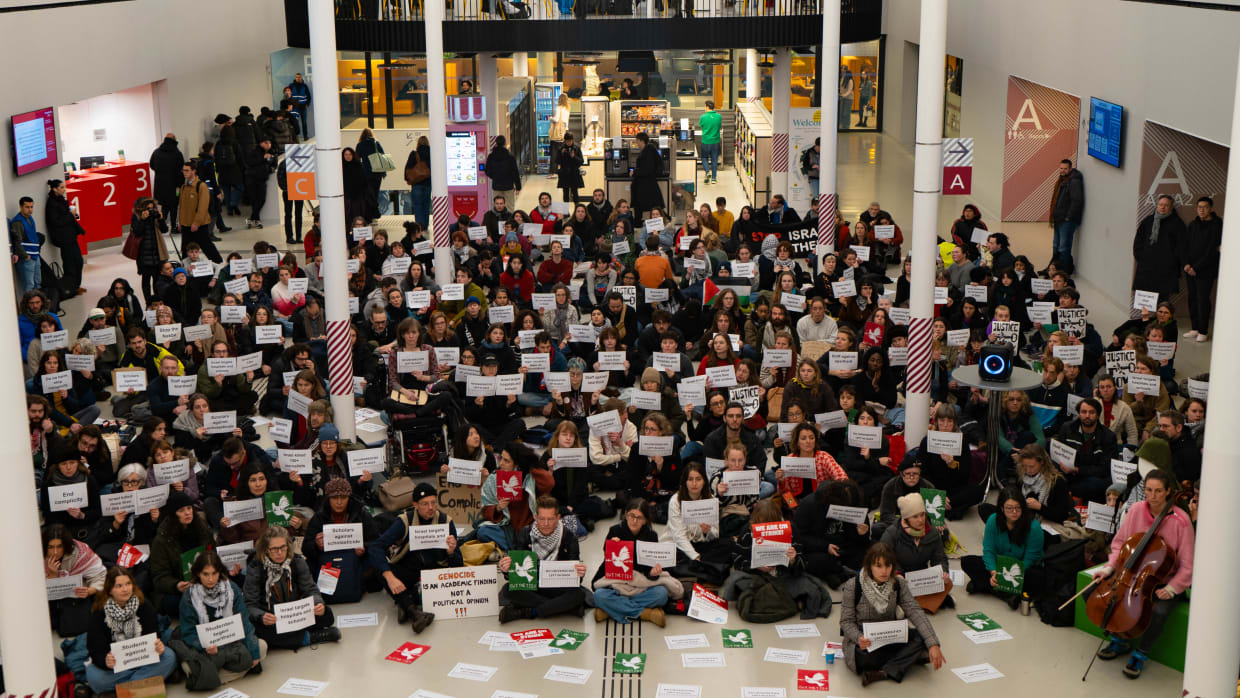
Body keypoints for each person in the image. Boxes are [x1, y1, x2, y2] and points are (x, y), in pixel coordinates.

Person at [1092, 469, 1194, 678]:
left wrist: (1172, 588)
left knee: (1158, 613)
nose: (1153, 496)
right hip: (1130, 572)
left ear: (1168, 492)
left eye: (1158, 491)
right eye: (1148, 490)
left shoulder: (1181, 520)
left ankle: (1141, 652)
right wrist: (1110, 567)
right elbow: (1120, 543)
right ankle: (1120, 641)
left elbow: (1188, 565)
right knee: (1101, 593)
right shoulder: (1136, 509)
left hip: (1164, 580)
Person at [839, 543, 945, 686]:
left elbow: (915, 612)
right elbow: (846, 621)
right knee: (862, 658)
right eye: (879, 566)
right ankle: (902, 661)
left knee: (923, 639)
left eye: (888, 566)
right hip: (864, 642)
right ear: (870, 565)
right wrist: (858, 638)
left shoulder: (898, 584)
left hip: (890, 636)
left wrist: (933, 644)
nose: (884, 571)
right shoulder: (853, 586)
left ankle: (884, 672)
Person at [369, 482, 460, 633]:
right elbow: (375, 547)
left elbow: (458, 564)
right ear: (415, 505)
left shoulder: (446, 521)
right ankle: (415, 611)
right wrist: (390, 576)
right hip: (409, 569)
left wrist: (451, 551)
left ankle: (407, 605)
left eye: (433, 503)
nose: (430, 508)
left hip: (435, 572)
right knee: (381, 571)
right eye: (424, 504)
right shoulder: (404, 521)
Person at [172, 550, 264, 691]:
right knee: (189, 664)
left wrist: (254, 652)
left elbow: (243, 621)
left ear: (220, 572)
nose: (210, 579)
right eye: (206, 574)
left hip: (231, 642)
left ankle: (209, 678)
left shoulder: (231, 589)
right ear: (197, 574)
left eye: (214, 573)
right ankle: (222, 675)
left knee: (261, 647)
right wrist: (203, 646)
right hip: (207, 648)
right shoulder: (189, 597)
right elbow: (188, 632)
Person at [85, 567, 181, 693]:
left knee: (169, 656)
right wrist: (105, 661)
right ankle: (147, 684)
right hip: (116, 667)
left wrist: (158, 647)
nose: (125, 589)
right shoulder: (99, 613)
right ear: (109, 590)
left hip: (142, 661)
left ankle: (122, 692)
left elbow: (153, 636)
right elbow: (95, 650)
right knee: (95, 677)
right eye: (118, 586)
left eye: (128, 584)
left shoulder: (144, 605)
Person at [243, 525, 340, 650]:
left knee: (326, 614)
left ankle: (294, 637)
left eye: (283, 548)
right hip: (273, 618)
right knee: (257, 630)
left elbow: (310, 589)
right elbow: (250, 604)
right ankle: (310, 637)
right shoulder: (256, 567)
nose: (279, 553)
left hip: (295, 613)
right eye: (274, 549)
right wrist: (262, 616)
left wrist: (317, 603)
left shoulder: (297, 561)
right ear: (266, 549)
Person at [496, 495, 589, 623]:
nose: (545, 524)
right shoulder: (524, 534)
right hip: (533, 585)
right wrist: (507, 569)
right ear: (535, 517)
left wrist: (579, 573)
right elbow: (514, 576)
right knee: (508, 590)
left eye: (550, 519)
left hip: (558, 586)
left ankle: (529, 611)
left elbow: (576, 579)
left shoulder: (569, 537)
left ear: (558, 518)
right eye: (542, 519)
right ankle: (564, 608)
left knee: (579, 594)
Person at [591, 498, 682, 627]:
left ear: (645, 520)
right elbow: (608, 559)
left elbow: (650, 570)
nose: (634, 521)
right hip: (618, 581)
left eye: (639, 518)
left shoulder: (651, 535)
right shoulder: (615, 530)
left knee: (661, 594)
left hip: (639, 583)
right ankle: (646, 614)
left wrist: (654, 572)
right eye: (631, 516)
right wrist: (611, 546)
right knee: (599, 596)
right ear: (626, 514)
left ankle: (611, 610)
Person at [960, 488, 1043, 606]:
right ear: (1001, 508)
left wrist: (1009, 576)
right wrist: (994, 573)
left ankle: (984, 586)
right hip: (1000, 567)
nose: (1014, 512)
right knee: (967, 562)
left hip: (1022, 569)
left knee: (1038, 578)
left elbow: (1030, 559)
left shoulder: (1034, 527)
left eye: (1018, 508)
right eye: (1009, 508)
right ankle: (1007, 594)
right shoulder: (993, 520)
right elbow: (989, 550)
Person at [879, 493, 952, 606]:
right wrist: (896, 574)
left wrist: (943, 571)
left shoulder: (932, 533)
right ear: (906, 518)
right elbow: (883, 560)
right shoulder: (892, 533)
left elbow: (940, 557)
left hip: (920, 578)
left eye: (922, 515)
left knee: (947, 583)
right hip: (898, 577)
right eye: (915, 516)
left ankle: (914, 602)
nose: (920, 520)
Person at [1180, 196, 1221, 342]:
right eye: (1199, 207)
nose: (1201, 210)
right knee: (1192, 298)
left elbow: (1211, 251)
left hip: (1205, 270)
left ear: (1210, 208)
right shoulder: (1193, 224)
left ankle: (1203, 330)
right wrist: (1186, 264)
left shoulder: (1217, 225)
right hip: (1190, 269)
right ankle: (1195, 328)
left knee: (1202, 300)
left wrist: (1196, 267)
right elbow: (1185, 246)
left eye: (1204, 207)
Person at [1132, 194, 1185, 307]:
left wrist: (1172, 261)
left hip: (1166, 270)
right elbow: (1138, 241)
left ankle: (1161, 324)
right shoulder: (1148, 221)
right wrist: (1141, 258)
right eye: (1160, 204)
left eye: (1166, 205)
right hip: (1146, 268)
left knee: (1162, 302)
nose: (1162, 207)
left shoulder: (1177, 223)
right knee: (1144, 303)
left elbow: (1181, 246)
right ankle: (1146, 323)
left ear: (1171, 207)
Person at [45, 179, 86, 298]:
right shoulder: (51, 204)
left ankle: (76, 285)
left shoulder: (61, 200)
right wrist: (70, 215)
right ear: (54, 189)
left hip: (71, 236)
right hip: (64, 239)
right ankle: (71, 288)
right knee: (69, 264)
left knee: (78, 261)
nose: (64, 189)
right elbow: (56, 222)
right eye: (62, 187)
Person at [1049, 158, 1084, 273]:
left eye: (1065, 169)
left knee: (1063, 248)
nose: (1062, 170)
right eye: (1061, 168)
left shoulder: (1074, 181)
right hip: (1059, 219)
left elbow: (1077, 201)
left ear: (1070, 168)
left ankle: (1063, 272)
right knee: (1056, 246)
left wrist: (1068, 217)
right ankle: (1053, 268)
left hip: (1067, 221)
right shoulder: (1063, 180)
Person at [178, 161, 217, 259]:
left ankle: (218, 262)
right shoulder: (183, 187)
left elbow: (203, 207)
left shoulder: (201, 186)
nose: (184, 172)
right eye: (183, 170)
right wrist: (180, 222)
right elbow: (182, 206)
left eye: (187, 170)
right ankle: (185, 268)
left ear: (194, 171)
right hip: (186, 224)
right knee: (185, 248)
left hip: (199, 225)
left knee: (206, 246)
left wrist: (197, 222)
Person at [9, 195, 43, 296]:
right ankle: (30, 308)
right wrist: (25, 256)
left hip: (35, 255)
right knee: (29, 285)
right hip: (27, 257)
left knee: (38, 282)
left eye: (31, 207)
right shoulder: (18, 222)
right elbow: (17, 241)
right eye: (27, 207)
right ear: (21, 207)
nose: (30, 210)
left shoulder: (30, 218)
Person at [149, 133, 185, 227]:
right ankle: (173, 226)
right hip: (174, 185)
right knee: (174, 206)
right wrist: (181, 184)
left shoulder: (156, 152)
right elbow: (181, 169)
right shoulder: (177, 153)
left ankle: (161, 224)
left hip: (160, 185)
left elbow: (152, 165)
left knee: (164, 205)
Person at [243, 137, 277, 229]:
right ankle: (256, 220)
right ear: (261, 143)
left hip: (262, 178)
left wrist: (271, 167)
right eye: (266, 143)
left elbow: (274, 163)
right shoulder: (253, 151)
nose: (268, 145)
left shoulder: (272, 151)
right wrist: (263, 158)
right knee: (254, 199)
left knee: (261, 199)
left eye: (270, 143)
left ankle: (252, 218)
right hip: (252, 178)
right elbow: (250, 162)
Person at [630, 132, 664, 216]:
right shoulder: (648, 150)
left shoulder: (648, 151)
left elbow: (648, 169)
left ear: (642, 141)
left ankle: (638, 223)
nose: (636, 143)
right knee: (652, 206)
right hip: (647, 183)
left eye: (637, 140)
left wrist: (635, 172)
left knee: (642, 206)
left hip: (646, 184)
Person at [485, 135, 522, 206]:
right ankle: (509, 217)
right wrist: (518, 187)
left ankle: (498, 217)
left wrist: (495, 177)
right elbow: (515, 173)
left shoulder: (491, 156)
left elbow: (487, 171)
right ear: (505, 143)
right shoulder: (510, 157)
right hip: (508, 186)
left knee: (497, 206)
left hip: (496, 186)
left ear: (496, 143)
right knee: (509, 206)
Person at [405, 135, 431, 227]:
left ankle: (419, 227)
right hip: (428, 184)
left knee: (417, 205)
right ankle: (426, 225)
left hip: (417, 184)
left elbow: (407, 169)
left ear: (418, 143)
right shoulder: (432, 153)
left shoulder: (414, 154)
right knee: (426, 205)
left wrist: (408, 179)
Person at [555, 132, 585, 203]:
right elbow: (557, 161)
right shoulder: (561, 149)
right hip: (564, 173)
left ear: (573, 140)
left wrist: (574, 157)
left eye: (570, 141)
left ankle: (576, 210)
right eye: (567, 141)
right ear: (565, 141)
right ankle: (565, 213)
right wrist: (562, 154)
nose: (569, 142)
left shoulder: (576, 148)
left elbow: (581, 161)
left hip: (574, 173)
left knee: (575, 193)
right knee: (565, 194)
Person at [698, 100, 722, 184]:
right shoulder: (719, 116)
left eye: (705, 106)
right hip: (716, 141)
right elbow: (719, 126)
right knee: (714, 160)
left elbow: (701, 125)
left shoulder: (703, 117)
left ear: (707, 107)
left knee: (704, 158)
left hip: (706, 141)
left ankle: (707, 172)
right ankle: (714, 179)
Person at [286, 72, 311, 137]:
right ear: (295, 78)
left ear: (301, 77)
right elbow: (288, 95)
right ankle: (295, 137)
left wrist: (307, 104)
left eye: (299, 77)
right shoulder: (291, 85)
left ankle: (305, 136)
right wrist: (290, 104)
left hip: (303, 107)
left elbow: (308, 96)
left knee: (304, 123)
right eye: (297, 77)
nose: (298, 78)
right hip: (294, 107)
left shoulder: (304, 86)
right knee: (294, 122)